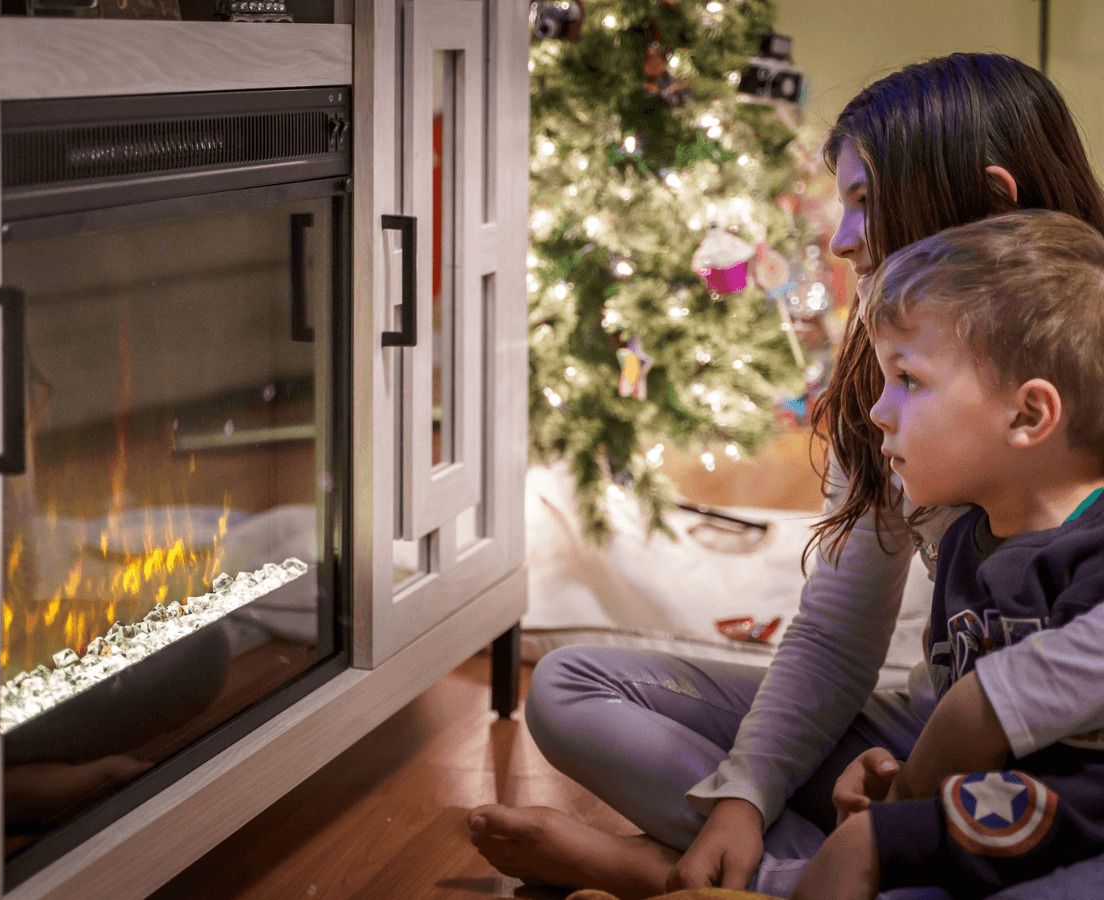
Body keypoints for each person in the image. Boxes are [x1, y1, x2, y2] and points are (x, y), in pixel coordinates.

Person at [467, 53, 1104, 898]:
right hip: (931, 745)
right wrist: (745, 792)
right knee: (571, 687)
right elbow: (841, 632)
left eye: (865, 203)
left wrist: (981, 714)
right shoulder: (886, 397)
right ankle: (809, 873)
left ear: (989, 201)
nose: (840, 239)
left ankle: (707, 879)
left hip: (1065, 783)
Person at [792, 210, 1104, 899]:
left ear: (1029, 416)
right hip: (995, 818)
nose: (877, 411)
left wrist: (902, 825)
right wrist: (896, 776)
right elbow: (962, 733)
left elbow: (1079, 797)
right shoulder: (965, 543)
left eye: (909, 379)